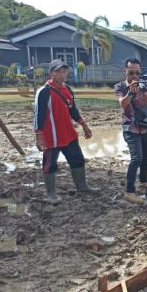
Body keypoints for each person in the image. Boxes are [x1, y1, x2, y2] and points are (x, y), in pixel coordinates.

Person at [34, 59, 100, 204]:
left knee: (77, 159)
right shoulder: (44, 92)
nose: (62, 75)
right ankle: (51, 193)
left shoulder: (67, 89)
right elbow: (38, 115)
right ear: (51, 73)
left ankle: (82, 186)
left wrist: (84, 125)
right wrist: (39, 136)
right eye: (58, 72)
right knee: (50, 164)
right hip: (52, 136)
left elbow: (73, 109)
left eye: (64, 72)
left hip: (68, 134)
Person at [115, 57, 147, 205]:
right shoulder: (120, 87)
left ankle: (143, 181)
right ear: (125, 71)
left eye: (137, 73)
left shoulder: (145, 84)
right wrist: (131, 93)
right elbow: (122, 104)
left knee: (146, 156)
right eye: (131, 72)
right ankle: (129, 191)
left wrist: (141, 91)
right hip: (130, 127)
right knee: (136, 158)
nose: (134, 76)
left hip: (145, 126)